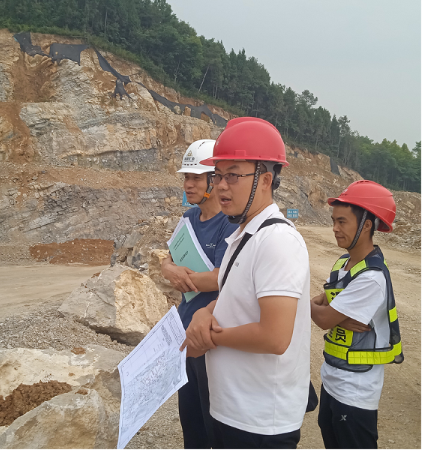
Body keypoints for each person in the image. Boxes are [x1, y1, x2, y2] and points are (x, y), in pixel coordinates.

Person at [181, 117, 311, 449]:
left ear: (265, 179)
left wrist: (208, 338)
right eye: (218, 175)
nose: (221, 186)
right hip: (232, 410)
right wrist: (205, 312)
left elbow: (274, 336)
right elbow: (234, 297)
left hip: (260, 421)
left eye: (233, 175)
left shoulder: (278, 241)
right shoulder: (244, 236)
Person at [310, 180, 403, 449]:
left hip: (355, 392)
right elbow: (322, 304)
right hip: (333, 380)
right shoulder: (344, 264)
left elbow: (323, 318)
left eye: (342, 221)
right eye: (333, 221)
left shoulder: (371, 277)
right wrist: (326, 309)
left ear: (366, 225)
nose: (334, 228)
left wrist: (306, 305)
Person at [161, 139, 237, 449]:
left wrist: (182, 276)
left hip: (210, 338)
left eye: (195, 178)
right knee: (190, 420)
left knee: (212, 423)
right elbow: (167, 260)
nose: (188, 185)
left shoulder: (229, 225)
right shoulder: (188, 219)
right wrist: (168, 269)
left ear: (213, 180)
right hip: (185, 332)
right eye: (186, 178)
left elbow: (223, 276)